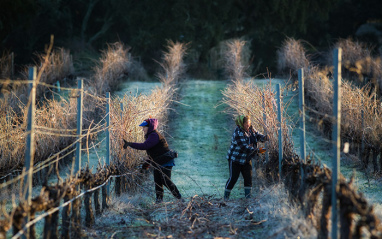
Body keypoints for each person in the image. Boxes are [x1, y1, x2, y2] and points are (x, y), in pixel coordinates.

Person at [123, 118, 182, 203]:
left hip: (165, 161)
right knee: (158, 183)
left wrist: (130, 144)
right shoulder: (150, 136)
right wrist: (145, 166)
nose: (143, 130)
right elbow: (152, 154)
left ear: (149, 127)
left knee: (165, 181)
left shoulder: (154, 135)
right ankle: (158, 202)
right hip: (158, 163)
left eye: (144, 127)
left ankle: (179, 198)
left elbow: (144, 146)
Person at [224, 115, 268, 200]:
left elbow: (258, 136)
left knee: (248, 179)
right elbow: (245, 148)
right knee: (233, 178)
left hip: (246, 159)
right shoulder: (238, 133)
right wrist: (258, 150)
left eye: (249, 123)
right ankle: (226, 198)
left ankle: (248, 199)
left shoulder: (251, 129)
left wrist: (266, 138)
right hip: (235, 159)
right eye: (246, 123)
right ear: (241, 123)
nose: (248, 125)